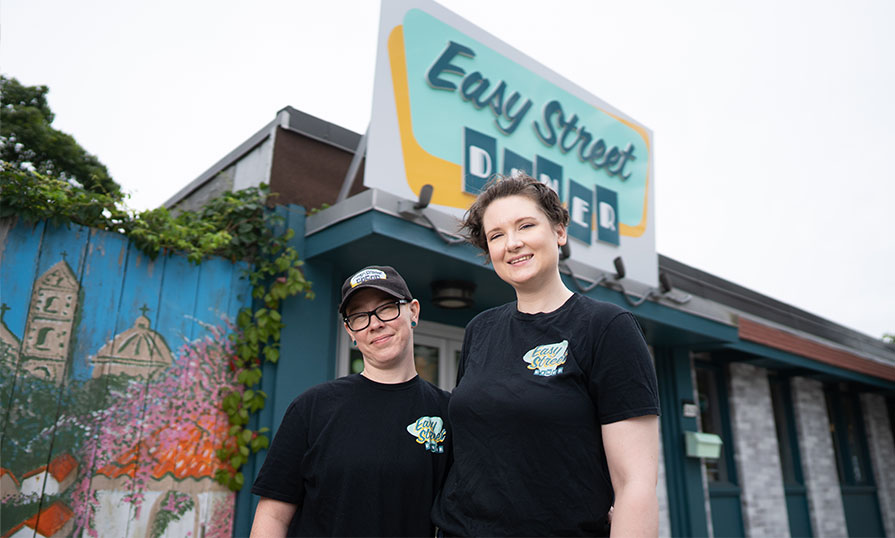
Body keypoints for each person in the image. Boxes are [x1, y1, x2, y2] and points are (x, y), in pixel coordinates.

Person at [431, 173, 660, 537]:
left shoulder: (607, 327)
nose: (513, 243)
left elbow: (636, 483)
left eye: (525, 225)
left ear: (559, 231)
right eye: (496, 235)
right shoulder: (480, 330)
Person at [250, 265, 451, 537]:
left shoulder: (447, 412)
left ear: (413, 311)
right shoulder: (312, 408)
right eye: (359, 316)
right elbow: (273, 515)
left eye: (387, 307)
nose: (375, 323)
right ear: (349, 330)